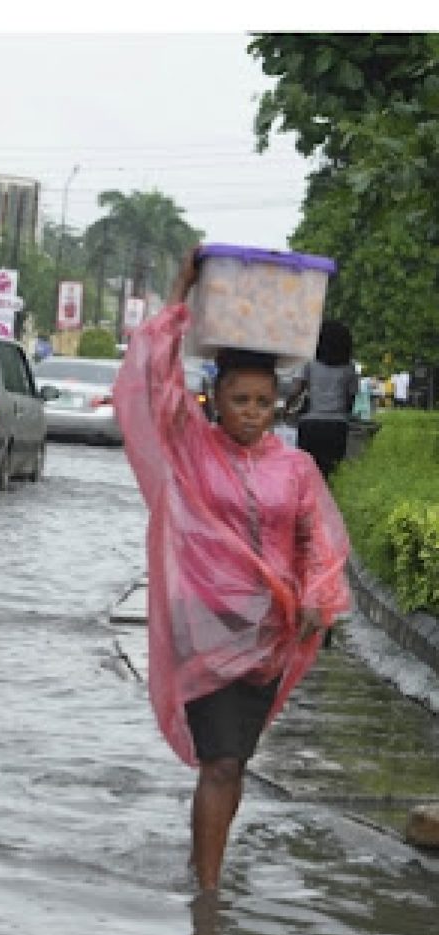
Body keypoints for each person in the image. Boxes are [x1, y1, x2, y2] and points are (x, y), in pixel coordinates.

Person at [111, 249, 351, 892]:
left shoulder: (294, 469)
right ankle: (209, 897)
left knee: (234, 760)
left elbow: (318, 541)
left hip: (270, 636)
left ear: (280, 402)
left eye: (264, 401)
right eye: (239, 399)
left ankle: (203, 866)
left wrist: (316, 597)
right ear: (213, 399)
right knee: (220, 760)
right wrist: (180, 288)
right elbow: (153, 378)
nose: (252, 411)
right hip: (206, 627)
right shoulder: (190, 446)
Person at [287, 320, 359, 478]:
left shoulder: (310, 363)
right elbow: (351, 397)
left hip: (310, 424)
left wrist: (287, 407)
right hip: (337, 426)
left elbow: (296, 390)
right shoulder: (349, 367)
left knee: (308, 473)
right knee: (331, 473)